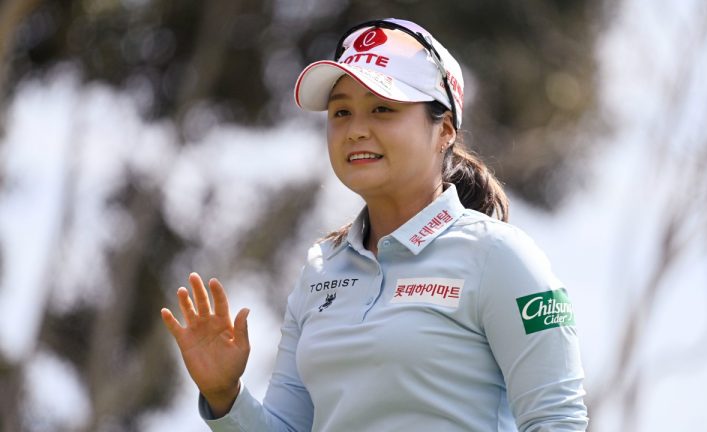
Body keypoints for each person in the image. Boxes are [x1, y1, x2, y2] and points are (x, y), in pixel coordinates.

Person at [161, 18, 588, 431]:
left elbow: (557, 421)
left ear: (445, 130)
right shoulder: (320, 271)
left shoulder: (500, 257)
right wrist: (224, 396)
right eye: (341, 112)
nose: (355, 130)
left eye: (382, 108)